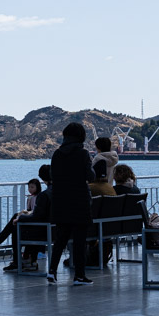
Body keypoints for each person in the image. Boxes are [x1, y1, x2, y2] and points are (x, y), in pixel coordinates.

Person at [48, 122, 95, 286]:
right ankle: (79, 276)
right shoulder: (83, 153)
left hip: (60, 201)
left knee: (60, 239)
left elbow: (52, 175)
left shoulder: (57, 154)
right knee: (80, 241)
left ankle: (52, 271)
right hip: (79, 201)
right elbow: (90, 176)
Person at [0, 168, 49, 271]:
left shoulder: (43, 196)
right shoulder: (51, 194)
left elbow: (36, 215)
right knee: (16, 220)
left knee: (15, 226)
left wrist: (21, 217)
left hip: (40, 230)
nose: (30, 189)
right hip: (46, 228)